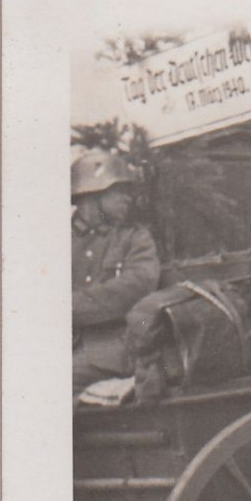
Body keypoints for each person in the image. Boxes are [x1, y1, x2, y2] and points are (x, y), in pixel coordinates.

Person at [72, 149, 161, 396]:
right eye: (119, 191)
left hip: (112, 349)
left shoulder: (134, 238)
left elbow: (136, 286)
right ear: (92, 194)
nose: (127, 199)